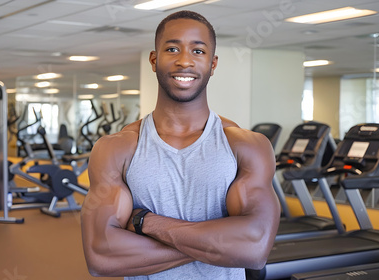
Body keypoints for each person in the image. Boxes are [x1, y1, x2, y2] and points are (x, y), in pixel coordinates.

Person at [81, 10, 280, 279]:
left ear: (213, 64)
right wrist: (222, 244)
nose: (185, 61)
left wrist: (146, 222)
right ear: (154, 59)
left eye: (198, 51)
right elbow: (102, 255)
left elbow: (254, 249)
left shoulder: (246, 146)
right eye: (172, 49)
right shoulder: (116, 148)